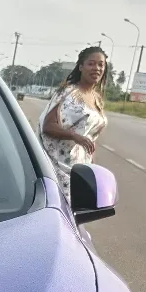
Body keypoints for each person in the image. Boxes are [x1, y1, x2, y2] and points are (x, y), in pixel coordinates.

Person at [38, 46, 108, 199]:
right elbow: (48, 126)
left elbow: (90, 138)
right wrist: (74, 136)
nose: (96, 68)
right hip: (58, 168)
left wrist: (91, 167)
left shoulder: (97, 99)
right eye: (91, 63)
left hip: (80, 169)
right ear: (81, 67)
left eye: (100, 64)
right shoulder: (67, 92)